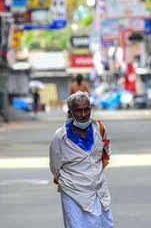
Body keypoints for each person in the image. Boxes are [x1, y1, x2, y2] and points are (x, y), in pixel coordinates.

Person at [50, 92, 113, 228]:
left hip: (98, 192)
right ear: (70, 113)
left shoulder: (100, 129)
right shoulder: (60, 137)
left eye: (87, 109)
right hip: (73, 194)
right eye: (78, 111)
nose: (83, 114)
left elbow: (105, 154)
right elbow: (55, 167)